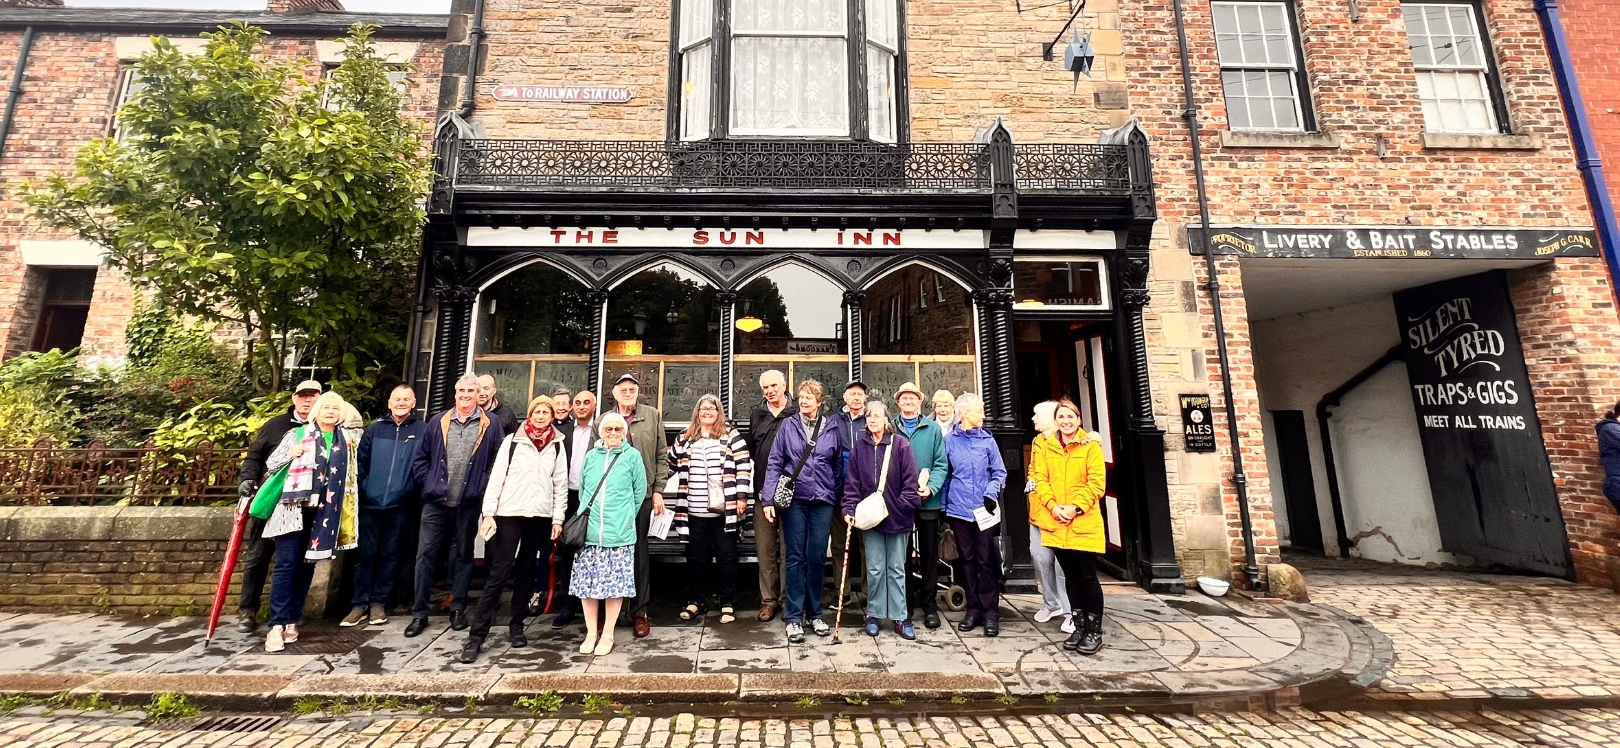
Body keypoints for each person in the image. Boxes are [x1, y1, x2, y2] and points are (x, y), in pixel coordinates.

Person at [460, 396, 569, 663]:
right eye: (537, 411)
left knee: (526, 571)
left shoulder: (557, 446)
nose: (541, 416)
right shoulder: (512, 442)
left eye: (546, 412)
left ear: (552, 416)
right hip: (508, 513)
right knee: (499, 572)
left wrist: (557, 519)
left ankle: (517, 625)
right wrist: (488, 514)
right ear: (529, 414)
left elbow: (560, 485)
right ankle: (476, 637)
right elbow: (496, 480)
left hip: (539, 515)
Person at [405, 374, 506, 638]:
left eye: (471, 391)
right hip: (436, 501)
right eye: (461, 390)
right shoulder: (438, 421)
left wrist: (482, 486)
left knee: (463, 555)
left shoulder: (491, 423)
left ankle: (458, 608)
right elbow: (421, 458)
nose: (465, 395)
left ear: (479, 394)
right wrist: (428, 483)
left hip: (468, 501)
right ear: (455, 392)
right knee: (425, 555)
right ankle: (419, 613)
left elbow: (498, 458)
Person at [260, 390, 361, 652]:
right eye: (326, 407)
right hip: (293, 509)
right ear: (317, 410)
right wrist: (289, 454)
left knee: (307, 566)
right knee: (286, 565)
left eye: (335, 409)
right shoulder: (298, 434)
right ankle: (276, 625)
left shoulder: (346, 440)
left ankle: (293, 619)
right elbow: (270, 464)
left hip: (324, 513)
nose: (330, 412)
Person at [233, 379, 322, 634]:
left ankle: (291, 612)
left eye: (313, 396)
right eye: (303, 396)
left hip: (302, 505)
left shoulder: (323, 430)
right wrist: (248, 479)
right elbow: (255, 456)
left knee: (297, 560)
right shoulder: (276, 426)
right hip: (273, 499)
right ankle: (248, 610)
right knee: (259, 556)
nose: (307, 401)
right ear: (294, 398)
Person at [761, 379, 841, 643]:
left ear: (820, 401)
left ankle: (815, 613)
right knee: (795, 556)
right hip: (794, 499)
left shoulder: (831, 427)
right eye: (800, 397)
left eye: (809, 397)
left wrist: (836, 495)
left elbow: (837, 464)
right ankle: (794, 616)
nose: (803, 401)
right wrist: (768, 499)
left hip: (823, 500)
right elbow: (774, 463)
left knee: (817, 556)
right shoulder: (788, 425)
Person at [1029, 397, 1109, 654]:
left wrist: (1074, 508)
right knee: (1071, 578)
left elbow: (1096, 484)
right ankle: (1079, 625)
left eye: (1070, 417)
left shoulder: (1090, 446)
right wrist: (1052, 506)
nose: (1065, 421)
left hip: (1082, 521)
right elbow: (1040, 478)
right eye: (1061, 417)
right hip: (1056, 520)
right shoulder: (1048, 446)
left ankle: (1094, 630)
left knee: (1087, 576)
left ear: (1079, 420)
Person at [343, 384, 426, 628]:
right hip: (370, 504)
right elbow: (361, 464)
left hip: (402, 505)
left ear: (413, 403)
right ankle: (359, 604)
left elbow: (424, 463)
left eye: (406, 399)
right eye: (397, 399)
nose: (401, 403)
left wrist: (411, 491)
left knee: (391, 555)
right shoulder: (374, 430)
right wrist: (365, 489)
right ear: (389, 403)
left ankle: (379, 603)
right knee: (365, 555)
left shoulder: (423, 430)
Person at [666, 394, 752, 624]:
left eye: (712, 409)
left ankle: (727, 602)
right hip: (692, 510)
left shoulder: (731, 436)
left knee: (727, 558)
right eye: (703, 408)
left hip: (724, 511)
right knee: (696, 558)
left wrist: (742, 497)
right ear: (697, 412)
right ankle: (696, 600)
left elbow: (744, 466)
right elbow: (671, 462)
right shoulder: (685, 437)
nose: (707, 412)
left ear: (718, 412)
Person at [841, 401, 921, 640]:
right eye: (869, 416)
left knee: (896, 569)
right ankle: (874, 614)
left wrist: (900, 506)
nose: (872, 420)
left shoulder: (900, 445)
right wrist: (849, 508)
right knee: (875, 569)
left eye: (877, 416)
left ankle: (899, 616)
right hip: (871, 518)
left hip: (898, 517)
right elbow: (852, 483)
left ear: (887, 419)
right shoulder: (860, 448)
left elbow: (911, 481)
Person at [573, 412, 648, 656]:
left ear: (624, 432)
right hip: (591, 533)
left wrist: (625, 517)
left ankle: (608, 633)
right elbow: (583, 490)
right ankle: (591, 633)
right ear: (601, 432)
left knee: (614, 587)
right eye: (609, 429)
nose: (613, 433)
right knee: (589, 587)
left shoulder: (632, 456)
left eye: (618, 429)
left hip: (619, 533)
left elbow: (639, 492)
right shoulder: (591, 457)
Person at [605, 373, 670, 639]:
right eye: (623, 389)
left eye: (632, 388)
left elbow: (661, 456)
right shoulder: (605, 421)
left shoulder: (652, 415)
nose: (628, 392)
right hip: (612, 500)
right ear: (615, 393)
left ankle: (640, 612)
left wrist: (657, 491)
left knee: (639, 553)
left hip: (642, 497)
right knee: (610, 553)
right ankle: (610, 611)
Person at [943, 393, 1008, 637]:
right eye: (979, 411)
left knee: (986, 560)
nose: (983, 415)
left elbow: (999, 472)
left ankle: (991, 612)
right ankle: (973, 610)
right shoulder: (950, 440)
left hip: (985, 510)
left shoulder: (987, 441)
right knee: (966, 560)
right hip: (959, 510)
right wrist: (945, 508)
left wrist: (991, 493)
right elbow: (947, 475)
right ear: (964, 414)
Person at [893, 382, 949, 629]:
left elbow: (941, 463)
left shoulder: (933, 428)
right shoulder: (891, 428)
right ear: (898, 403)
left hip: (928, 501)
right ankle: (904, 607)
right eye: (904, 399)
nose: (908, 402)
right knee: (901, 556)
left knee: (928, 555)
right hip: (900, 503)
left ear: (919, 402)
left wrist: (931, 487)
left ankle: (929, 606)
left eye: (912, 399)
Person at [544, 388, 599, 629]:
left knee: (594, 551)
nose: (582, 405)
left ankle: (594, 604)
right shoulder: (562, 431)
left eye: (587, 402)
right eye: (578, 402)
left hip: (594, 499)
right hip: (567, 497)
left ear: (594, 406)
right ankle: (567, 604)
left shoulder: (601, 431)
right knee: (568, 551)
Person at [1026, 401, 1075, 636]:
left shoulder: (1066, 442)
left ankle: (1071, 612)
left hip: (1062, 514)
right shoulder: (1038, 442)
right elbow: (1034, 473)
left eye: (1037, 415)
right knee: (1041, 558)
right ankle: (1051, 603)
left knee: (1062, 566)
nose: (1033, 419)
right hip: (1039, 512)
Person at [747, 369, 791, 622]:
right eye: (765, 388)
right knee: (765, 551)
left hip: (792, 494)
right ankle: (768, 600)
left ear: (784, 385)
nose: (770, 391)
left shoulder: (796, 412)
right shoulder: (757, 414)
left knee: (789, 550)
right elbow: (753, 451)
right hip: (763, 492)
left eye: (774, 385)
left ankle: (788, 599)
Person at [827, 380, 869, 594]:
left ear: (865, 399)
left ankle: (869, 593)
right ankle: (841, 591)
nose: (856, 397)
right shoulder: (833, 421)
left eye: (860, 394)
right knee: (839, 545)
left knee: (867, 546)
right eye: (852, 393)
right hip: (839, 492)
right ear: (844, 397)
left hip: (866, 494)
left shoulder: (871, 420)